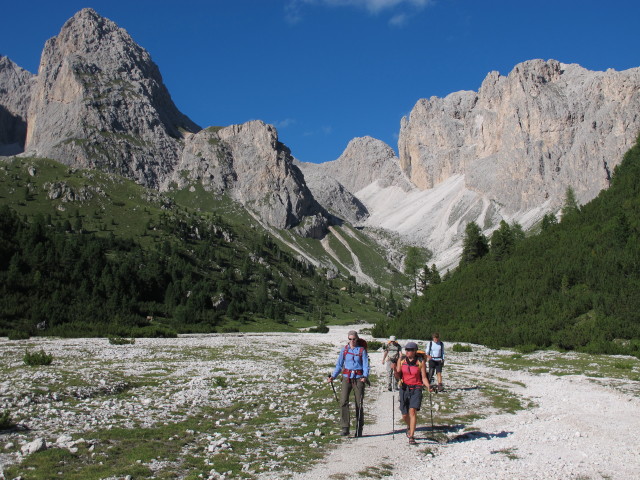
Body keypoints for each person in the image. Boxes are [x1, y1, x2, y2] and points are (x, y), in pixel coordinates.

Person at [327, 330, 369, 437]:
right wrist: (333, 376)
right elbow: (339, 364)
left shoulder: (362, 350)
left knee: (359, 403)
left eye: (354, 339)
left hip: (359, 379)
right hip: (346, 378)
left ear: (357, 339)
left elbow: (365, 365)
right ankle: (345, 427)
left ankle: (359, 428)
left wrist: (365, 376)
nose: (352, 341)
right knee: (343, 401)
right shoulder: (344, 350)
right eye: (350, 339)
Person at [394, 341, 429, 445]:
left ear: (414, 351)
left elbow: (423, 377)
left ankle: (411, 436)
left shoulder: (420, 362)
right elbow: (398, 375)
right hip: (404, 388)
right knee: (404, 414)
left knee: (412, 411)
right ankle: (409, 426)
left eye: (410, 350)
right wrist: (394, 370)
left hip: (416, 388)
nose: (408, 351)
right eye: (407, 350)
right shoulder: (402, 360)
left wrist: (428, 386)